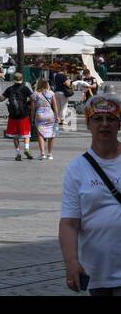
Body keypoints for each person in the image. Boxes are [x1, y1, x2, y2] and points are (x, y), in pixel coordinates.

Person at [59, 94, 121, 295]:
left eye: (111, 119)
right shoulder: (77, 168)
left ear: (119, 124)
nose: (104, 124)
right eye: (97, 119)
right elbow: (69, 222)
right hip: (99, 274)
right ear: (88, 124)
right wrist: (71, 262)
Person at [0, 72, 34, 161]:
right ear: (22, 79)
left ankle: (18, 153)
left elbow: (1, 99)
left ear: (13, 79)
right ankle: (26, 148)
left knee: (15, 135)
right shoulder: (25, 88)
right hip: (24, 114)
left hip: (13, 116)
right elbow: (33, 98)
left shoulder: (9, 89)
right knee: (26, 134)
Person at [33, 78, 60, 160]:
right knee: (51, 134)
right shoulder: (51, 93)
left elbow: (33, 108)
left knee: (40, 134)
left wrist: (31, 117)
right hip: (49, 114)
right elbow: (55, 105)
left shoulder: (36, 94)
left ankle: (42, 153)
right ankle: (50, 154)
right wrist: (57, 116)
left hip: (40, 114)